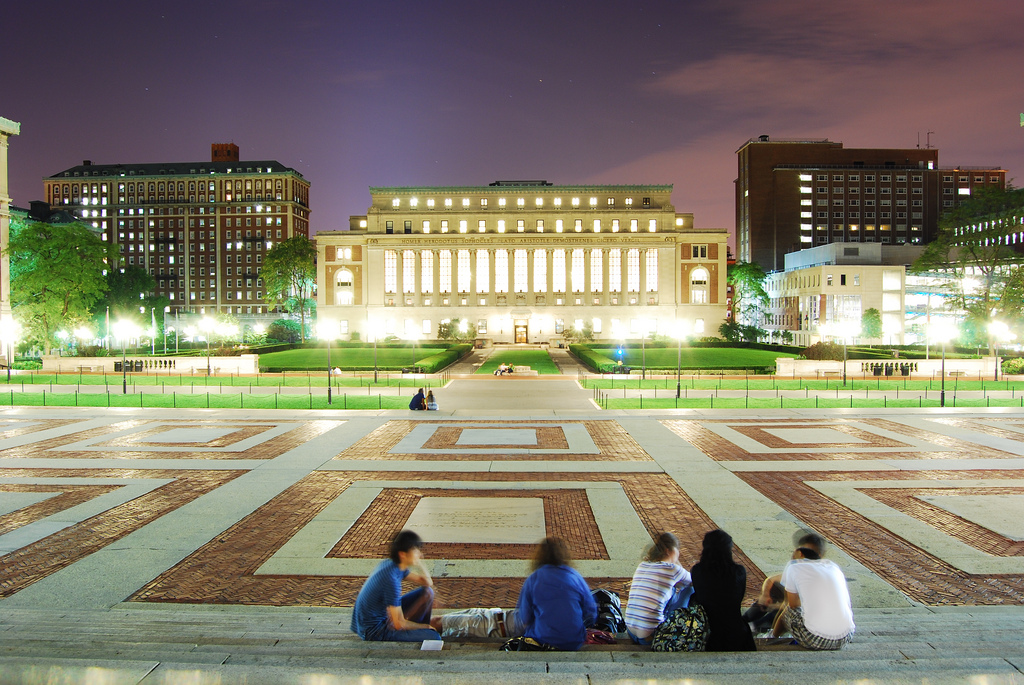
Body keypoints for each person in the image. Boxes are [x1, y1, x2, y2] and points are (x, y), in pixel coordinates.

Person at [351, 530, 440, 642]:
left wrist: (419, 562)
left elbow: (427, 582)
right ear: (403, 554)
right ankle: (419, 631)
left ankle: (417, 631)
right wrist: (425, 627)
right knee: (434, 636)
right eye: (415, 550)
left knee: (427, 593)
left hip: (379, 617)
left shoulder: (392, 564)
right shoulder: (391, 580)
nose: (420, 554)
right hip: (374, 630)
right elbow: (398, 623)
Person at [773, 532, 854, 650]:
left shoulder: (794, 567)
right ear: (821, 554)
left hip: (816, 640)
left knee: (789, 609)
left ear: (799, 552)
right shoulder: (832, 566)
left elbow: (792, 604)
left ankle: (772, 636)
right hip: (846, 637)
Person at [515, 537, 597, 650]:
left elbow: (524, 617)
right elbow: (591, 612)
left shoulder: (534, 579)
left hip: (543, 639)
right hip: (574, 640)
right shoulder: (575, 577)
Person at [689, 529, 755, 651]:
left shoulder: (697, 571)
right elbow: (738, 598)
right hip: (735, 632)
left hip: (707, 632)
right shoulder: (739, 571)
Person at [624, 532, 693, 646]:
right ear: (668, 550)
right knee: (690, 589)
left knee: (671, 588)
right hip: (650, 636)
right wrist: (677, 564)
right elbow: (693, 581)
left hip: (631, 631)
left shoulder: (642, 565)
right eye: (677, 550)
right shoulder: (674, 569)